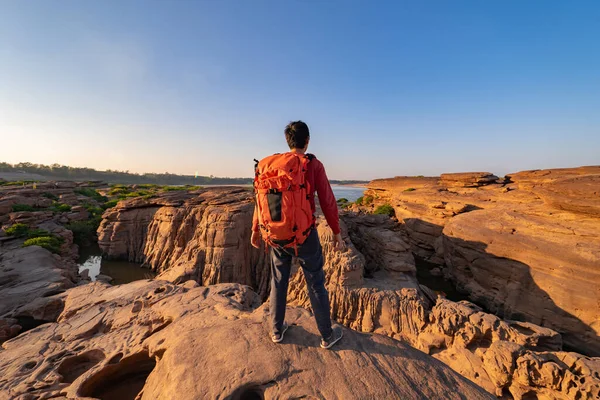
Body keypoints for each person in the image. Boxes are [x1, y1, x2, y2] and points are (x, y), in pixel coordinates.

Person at [251, 120, 345, 349]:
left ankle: (276, 331)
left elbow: (260, 201)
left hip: (275, 234)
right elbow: (327, 200)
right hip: (304, 235)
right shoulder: (313, 165)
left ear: (287, 140)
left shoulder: (269, 165)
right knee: (315, 283)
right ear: (308, 140)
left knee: (278, 281)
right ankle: (326, 335)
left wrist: (255, 229)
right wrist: (336, 231)